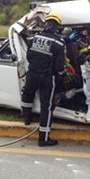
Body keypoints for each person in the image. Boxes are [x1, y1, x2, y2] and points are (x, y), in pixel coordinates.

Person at [21, 12, 65, 147]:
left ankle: (27, 119)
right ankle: (43, 139)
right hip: (47, 78)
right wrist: (61, 77)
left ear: (46, 24)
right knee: (47, 107)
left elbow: (29, 56)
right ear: (57, 27)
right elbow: (59, 67)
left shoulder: (32, 38)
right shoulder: (59, 43)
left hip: (32, 74)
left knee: (27, 94)